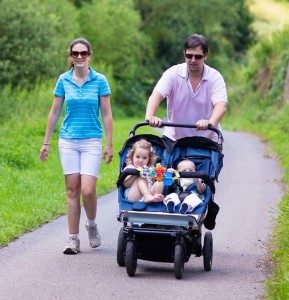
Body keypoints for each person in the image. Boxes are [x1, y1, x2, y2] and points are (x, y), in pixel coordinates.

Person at [39, 37, 113, 255]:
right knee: (72, 189)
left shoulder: (100, 80)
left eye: (83, 53)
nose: (79, 57)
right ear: (70, 57)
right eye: (75, 53)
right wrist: (46, 142)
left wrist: (109, 144)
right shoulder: (63, 80)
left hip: (91, 140)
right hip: (68, 141)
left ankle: (91, 225)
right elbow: (54, 112)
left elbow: (107, 114)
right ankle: (73, 239)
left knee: (88, 190)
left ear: (89, 55)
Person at [145, 33, 227, 147]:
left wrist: (210, 122)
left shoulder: (214, 77)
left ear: (205, 56)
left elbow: (221, 105)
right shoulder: (173, 73)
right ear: (184, 54)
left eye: (197, 56)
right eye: (189, 55)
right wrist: (150, 116)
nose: (193, 60)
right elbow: (156, 96)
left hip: (207, 140)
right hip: (175, 139)